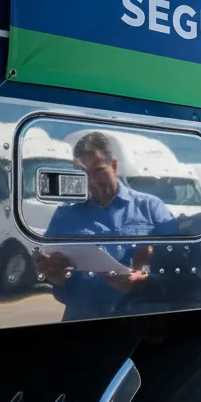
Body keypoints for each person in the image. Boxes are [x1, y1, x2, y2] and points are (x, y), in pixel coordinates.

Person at [34, 131, 181, 321]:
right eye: (84, 173)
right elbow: (45, 266)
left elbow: (180, 261)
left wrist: (144, 275)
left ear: (114, 166)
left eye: (98, 170)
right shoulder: (65, 213)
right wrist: (53, 273)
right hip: (81, 319)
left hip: (139, 318)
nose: (92, 181)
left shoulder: (150, 207)